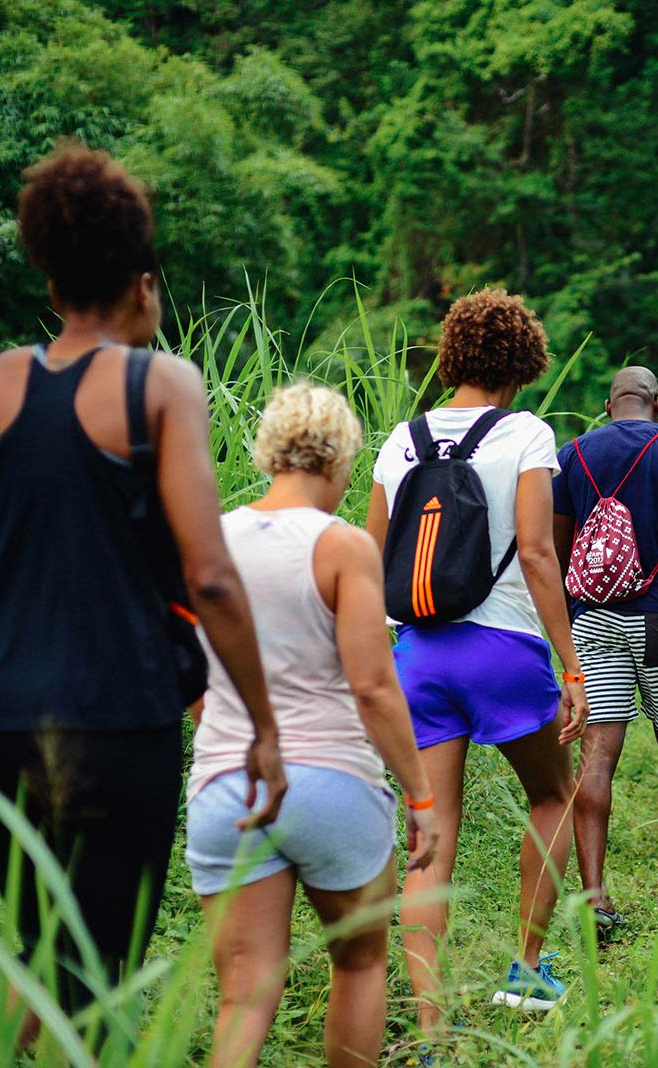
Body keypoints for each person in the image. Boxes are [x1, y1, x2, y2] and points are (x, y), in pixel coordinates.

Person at [0, 142, 286, 1067]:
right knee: (91, 968)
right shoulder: (162, 385)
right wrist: (263, 725)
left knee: (51, 955)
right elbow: (212, 578)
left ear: (45, 268)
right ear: (142, 281)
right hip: (114, 720)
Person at [187, 384, 439, 1068]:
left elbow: (184, 668)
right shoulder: (342, 546)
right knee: (358, 965)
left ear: (271, 452)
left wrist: (216, 725)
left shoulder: (209, 540)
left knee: (242, 996)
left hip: (227, 786)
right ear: (342, 459)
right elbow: (373, 686)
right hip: (331, 785)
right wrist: (420, 795)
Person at [365, 289, 589, 1033]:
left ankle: (428, 1027)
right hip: (505, 649)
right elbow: (535, 550)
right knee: (555, 795)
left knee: (431, 832)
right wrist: (572, 664)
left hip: (416, 656)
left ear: (452, 355)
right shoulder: (526, 433)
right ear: (523, 363)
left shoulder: (399, 441)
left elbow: (369, 561)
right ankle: (526, 971)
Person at [552, 367, 658, 937]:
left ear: (607, 405)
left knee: (597, 757)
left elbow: (556, 551)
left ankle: (595, 900)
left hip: (593, 618)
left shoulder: (571, 454)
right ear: (657, 402)